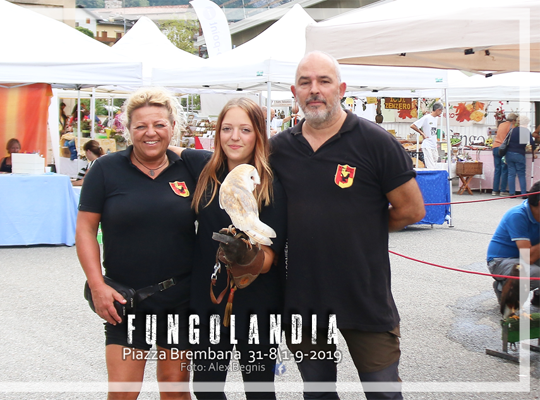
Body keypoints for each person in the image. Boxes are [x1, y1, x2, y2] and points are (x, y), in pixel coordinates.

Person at [269, 51, 425, 400]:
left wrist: (363, 228)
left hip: (364, 294)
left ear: (340, 88)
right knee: (318, 391)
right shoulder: (278, 149)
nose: (314, 90)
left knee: (383, 391)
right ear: (294, 91)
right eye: (305, 82)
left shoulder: (375, 141)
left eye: (323, 81)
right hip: (304, 299)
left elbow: (411, 209)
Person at [76, 87, 196, 400]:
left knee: (175, 391)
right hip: (125, 301)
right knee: (123, 394)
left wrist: (181, 152)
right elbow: (86, 230)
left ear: (173, 127)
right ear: (128, 130)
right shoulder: (105, 169)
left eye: (159, 124)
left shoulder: (190, 169)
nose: (150, 133)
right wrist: (97, 285)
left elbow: (229, 161)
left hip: (179, 300)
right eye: (140, 126)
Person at [170, 98, 287, 399]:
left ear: (259, 134)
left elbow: (271, 258)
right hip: (209, 297)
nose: (234, 137)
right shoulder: (204, 170)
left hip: (260, 301)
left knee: (260, 390)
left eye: (245, 129)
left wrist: (248, 257)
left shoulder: (271, 184)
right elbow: (169, 148)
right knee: (206, 389)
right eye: (227, 128)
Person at [487, 180, 540, 306]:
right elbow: (529, 257)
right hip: (500, 261)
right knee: (535, 274)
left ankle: (538, 296)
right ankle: (505, 290)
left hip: (525, 258)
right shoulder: (517, 215)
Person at [505, 115, 536, 197]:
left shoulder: (512, 130)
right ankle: (523, 193)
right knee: (521, 174)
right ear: (525, 123)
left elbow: (507, 141)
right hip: (519, 154)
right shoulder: (526, 131)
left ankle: (512, 193)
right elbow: (532, 144)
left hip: (509, 153)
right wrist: (534, 153)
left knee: (511, 174)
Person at [409, 102, 444, 169]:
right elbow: (413, 125)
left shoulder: (436, 118)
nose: (441, 113)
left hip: (433, 144)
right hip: (427, 144)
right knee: (430, 165)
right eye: (441, 111)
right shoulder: (426, 118)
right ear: (438, 110)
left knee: (435, 162)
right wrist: (422, 133)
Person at [492, 113, 518, 196]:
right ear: (514, 120)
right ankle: (502, 190)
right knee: (504, 169)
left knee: (497, 169)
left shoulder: (501, 125)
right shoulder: (512, 126)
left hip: (495, 147)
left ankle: (495, 190)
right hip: (503, 149)